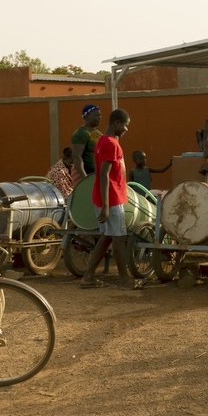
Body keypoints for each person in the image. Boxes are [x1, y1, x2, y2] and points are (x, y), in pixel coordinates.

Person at [79, 108, 140, 289]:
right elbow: (104, 175)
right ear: (116, 123)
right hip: (110, 198)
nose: (126, 129)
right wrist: (106, 205)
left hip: (103, 196)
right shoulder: (111, 144)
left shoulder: (102, 141)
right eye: (125, 126)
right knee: (118, 238)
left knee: (106, 237)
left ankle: (88, 277)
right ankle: (124, 278)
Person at [71, 104, 103, 179]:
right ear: (87, 116)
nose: (99, 117)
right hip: (86, 176)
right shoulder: (81, 133)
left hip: (97, 176)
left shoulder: (99, 134)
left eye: (100, 115)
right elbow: (76, 156)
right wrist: (84, 177)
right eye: (96, 115)